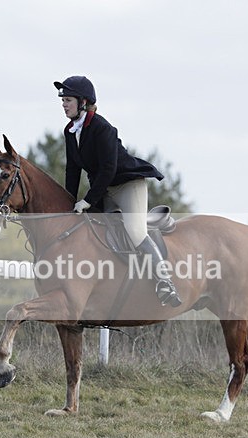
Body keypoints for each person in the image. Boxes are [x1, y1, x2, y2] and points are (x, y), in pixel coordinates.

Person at [54, 75, 182, 307]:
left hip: (127, 184)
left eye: (68, 100)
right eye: (63, 100)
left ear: (83, 102)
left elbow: (108, 169)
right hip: (103, 188)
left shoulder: (103, 128)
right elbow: (72, 169)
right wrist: (69, 201)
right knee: (89, 227)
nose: (64, 104)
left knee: (135, 231)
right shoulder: (70, 131)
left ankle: (165, 282)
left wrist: (88, 200)